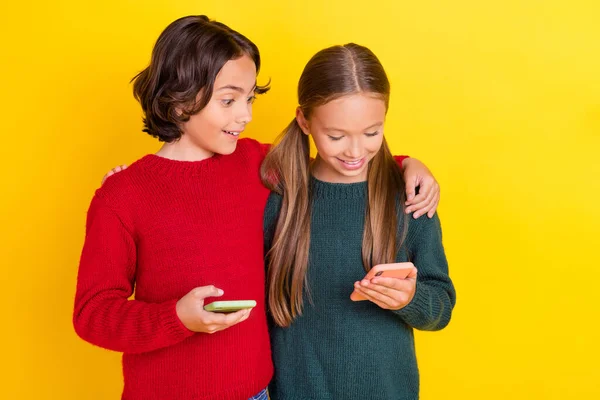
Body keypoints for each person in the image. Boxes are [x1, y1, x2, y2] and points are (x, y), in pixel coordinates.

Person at [82, 15, 440, 400]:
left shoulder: (256, 165)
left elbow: (341, 163)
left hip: (257, 393)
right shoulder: (122, 195)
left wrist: (406, 164)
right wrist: (176, 318)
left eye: (250, 97)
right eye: (229, 100)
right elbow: (93, 314)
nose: (246, 115)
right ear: (179, 99)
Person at [261, 43, 456, 400]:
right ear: (304, 120)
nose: (355, 152)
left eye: (372, 133)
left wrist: (409, 298)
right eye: (336, 136)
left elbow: (441, 307)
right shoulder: (277, 197)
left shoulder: (410, 197)